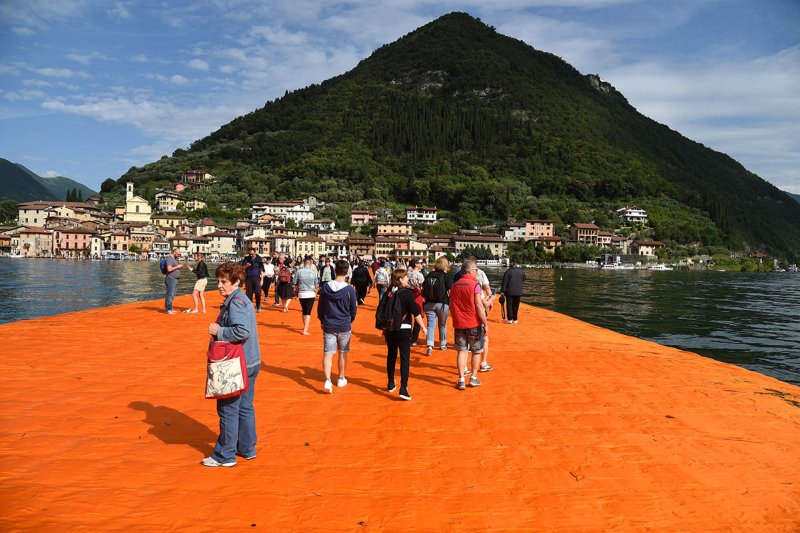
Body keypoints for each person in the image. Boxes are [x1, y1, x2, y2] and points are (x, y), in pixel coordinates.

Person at [202, 262, 261, 467]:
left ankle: (224, 455)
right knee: (245, 407)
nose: (219, 285)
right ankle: (247, 448)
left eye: (224, 282)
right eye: (218, 281)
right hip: (251, 361)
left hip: (237, 364)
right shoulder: (242, 300)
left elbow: (241, 331)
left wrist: (218, 331)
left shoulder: (235, 302)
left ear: (236, 282)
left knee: (228, 408)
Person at [383, 268, 427, 401]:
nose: (408, 279)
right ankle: (404, 387)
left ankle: (391, 382)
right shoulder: (407, 294)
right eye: (406, 277)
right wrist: (424, 327)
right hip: (404, 328)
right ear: (401, 280)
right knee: (404, 358)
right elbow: (415, 312)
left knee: (391, 355)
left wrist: (383, 329)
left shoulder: (388, 293)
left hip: (390, 329)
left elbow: (384, 312)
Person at [317, 259, 358, 393]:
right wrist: (350, 319)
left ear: (335, 271)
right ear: (347, 273)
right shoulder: (349, 290)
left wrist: (322, 320)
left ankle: (327, 380)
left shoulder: (325, 287)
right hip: (344, 324)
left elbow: (321, 306)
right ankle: (341, 378)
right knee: (342, 353)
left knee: (328, 353)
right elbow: (353, 308)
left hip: (329, 324)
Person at [449, 259, 489, 390]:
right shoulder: (475, 285)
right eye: (476, 270)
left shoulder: (455, 285)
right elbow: (478, 305)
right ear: (469, 271)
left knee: (462, 350)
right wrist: (485, 323)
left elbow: (451, 304)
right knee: (476, 351)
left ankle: (461, 379)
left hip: (459, 323)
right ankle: (473, 377)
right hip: (473, 323)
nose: (477, 272)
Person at [422, 256, 454, 355]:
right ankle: (442, 344)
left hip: (428, 303)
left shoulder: (429, 275)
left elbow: (424, 287)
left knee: (430, 324)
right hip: (442, 303)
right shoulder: (447, 276)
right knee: (442, 324)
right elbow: (450, 291)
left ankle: (430, 346)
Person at [294, 258, 319, 335]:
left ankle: (305, 326)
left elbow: (294, 282)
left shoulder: (299, 272)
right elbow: (316, 284)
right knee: (308, 312)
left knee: (304, 310)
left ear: (304, 264)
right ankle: (305, 329)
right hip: (310, 293)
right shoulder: (314, 273)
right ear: (310, 264)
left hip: (301, 293)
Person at [407, 259, 426, 345]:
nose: (422, 264)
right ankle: (414, 339)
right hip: (418, 296)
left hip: (409, 294)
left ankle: (408, 335)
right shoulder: (420, 275)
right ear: (416, 264)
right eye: (421, 263)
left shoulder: (409, 273)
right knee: (418, 316)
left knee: (408, 316)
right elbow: (423, 287)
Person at [240, 248, 264, 312]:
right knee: (249, 294)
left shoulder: (259, 259)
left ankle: (258, 305)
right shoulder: (246, 259)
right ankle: (250, 307)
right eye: (250, 254)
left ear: (255, 252)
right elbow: (242, 268)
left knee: (258, 293)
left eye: (252, 254)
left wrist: (262, 280)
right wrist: (246, 266)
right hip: (248, 278)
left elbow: (262, 270)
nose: (251, 255)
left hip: (256, 278)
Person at [164, 247, 187, 314]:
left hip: (175, 279)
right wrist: (177, 267)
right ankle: (168, 310)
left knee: (173, 295)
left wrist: (181, 267)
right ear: (174, 252)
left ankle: (170, 308)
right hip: (171, 279)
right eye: (178, 254)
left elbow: (174, 268)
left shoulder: (174, 259)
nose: (179, 255)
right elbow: (169, 269)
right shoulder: (169, 259)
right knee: (170, 295)